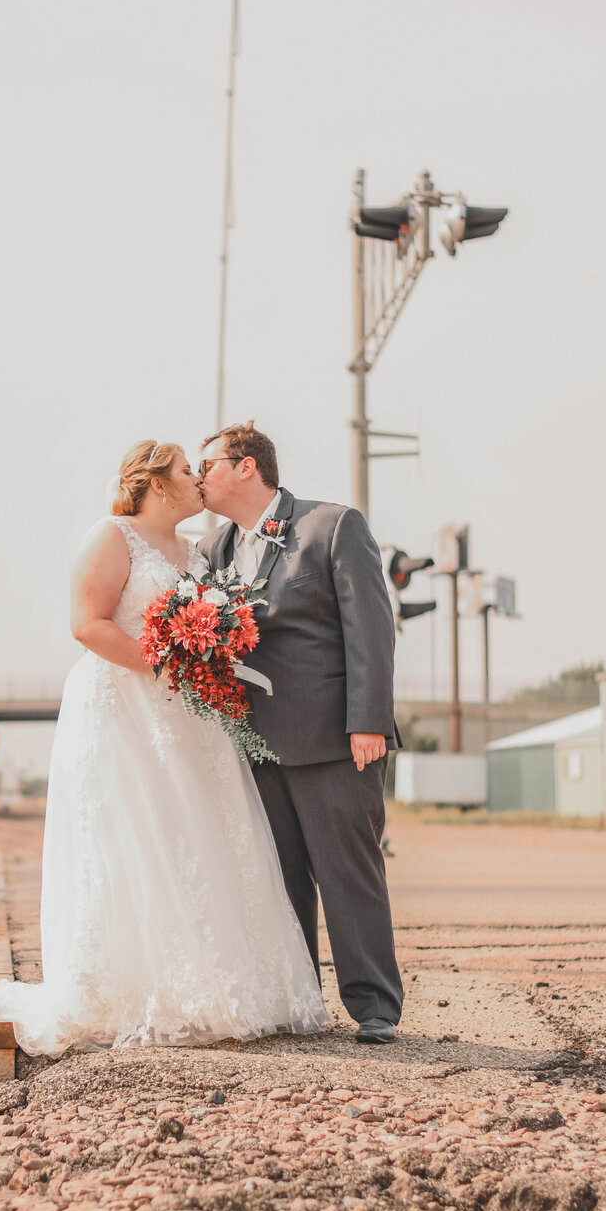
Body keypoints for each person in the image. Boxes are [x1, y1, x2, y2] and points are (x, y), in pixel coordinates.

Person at [0, 439, 326, 1055]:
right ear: (159, 484)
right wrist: (166, 665)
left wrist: (205, 656)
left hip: (187, 712)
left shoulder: (194, 552)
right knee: (133, 836)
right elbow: (87, 624)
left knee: (198, 834)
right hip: (121, 704)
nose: (197, 480)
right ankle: (129, 991)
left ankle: (221, 985)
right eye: (189, 471)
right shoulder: (111, 536)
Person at [197, 420, 403, 1044]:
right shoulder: (213, 552)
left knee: (348, 874)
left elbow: (371, 628)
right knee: (279, 878)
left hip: (335, 742)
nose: (197, 478)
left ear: (245, 467)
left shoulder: (332, 526)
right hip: (254, 747)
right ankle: (298, 999)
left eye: (206, 465)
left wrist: (367, 721)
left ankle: (375, 1008)